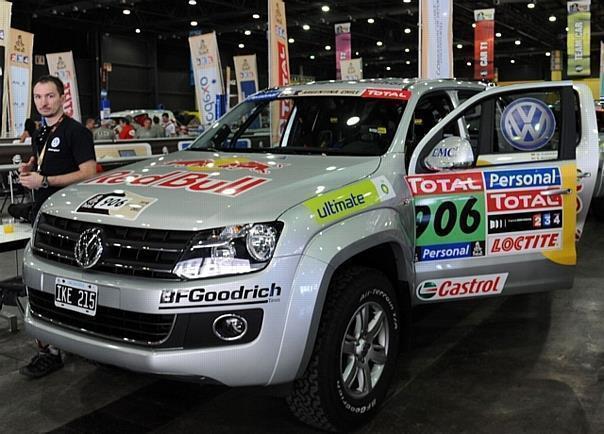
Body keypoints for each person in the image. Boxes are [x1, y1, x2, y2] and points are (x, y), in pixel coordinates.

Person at [16, 75, 97, 378]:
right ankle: (48, 347)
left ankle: (59, 347)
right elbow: (42, 160)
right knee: (40, 281)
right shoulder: (40, 132)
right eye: (38, 97)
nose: (43, 102)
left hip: (69, 222)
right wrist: (30, 168)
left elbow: (89, 172)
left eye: (49, 96)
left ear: (62, 97)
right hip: (42, 217)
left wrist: (46, 181)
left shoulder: (77, 132)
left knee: (62, 283)